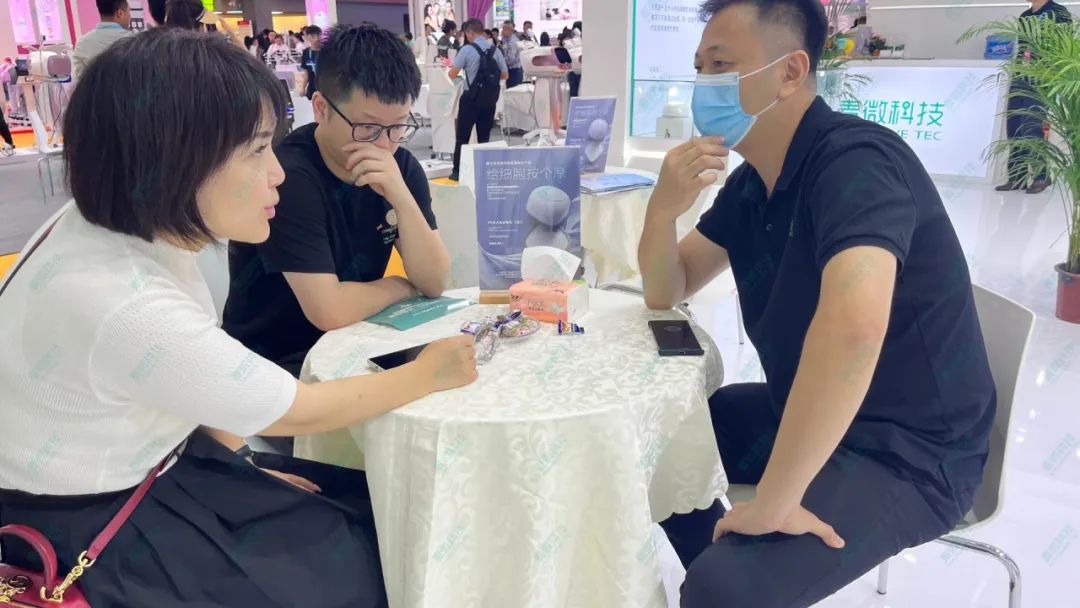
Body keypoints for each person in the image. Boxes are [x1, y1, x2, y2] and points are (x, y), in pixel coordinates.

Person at [0, 27, 477, 608]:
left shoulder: (115, 228)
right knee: (377, 551)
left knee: (379, 506)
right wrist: (428, 374)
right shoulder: (121, 299)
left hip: (166, 459)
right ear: (176, 160)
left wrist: (242, 464)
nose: (276, 172)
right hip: (100, 528)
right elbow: (301, 407)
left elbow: (195, 385)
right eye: (256, 150)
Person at [640, 0, 996, 605]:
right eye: (699, 67)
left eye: (721, 65)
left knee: (724, 589)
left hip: (910, 450)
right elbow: (666, 288)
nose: (704, 84)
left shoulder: (857, 163)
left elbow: (854, 327)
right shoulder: (752, 184)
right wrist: (661, 210)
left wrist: (776, 500)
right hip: (810, 413)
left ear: (790, 71)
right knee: (665, 444)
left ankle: (734, 580)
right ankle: (739, 570)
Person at [222, 24, 449, 377]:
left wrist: (402, 198)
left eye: (398, 127)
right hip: (279, 362)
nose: (384, 145)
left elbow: (434, 281)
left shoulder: (399, 166)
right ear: (321, 108)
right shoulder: (288, 178)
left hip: (364, 339)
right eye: (368, 128)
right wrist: (401, 285)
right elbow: (328, 310)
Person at [995, 0, 1072, 194]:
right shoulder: (1025, 16)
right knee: (1014, 125)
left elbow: (1063, 47)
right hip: (1021, 76)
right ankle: (1018, 176)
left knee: (1032, 126)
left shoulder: (1058, 12)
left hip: (1042, 77)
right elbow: (1022, 49)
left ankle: (1041, 175)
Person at [447, 18, 509, 182]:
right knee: (484, 137)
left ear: (469, 32)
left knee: (462, 137)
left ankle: (457, 171)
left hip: (470, 99)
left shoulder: (466, 50)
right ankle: (482, 172)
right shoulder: (495, 50)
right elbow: (505, 75)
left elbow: (452, 74)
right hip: (489, 100)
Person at [72, 0, 133, 79]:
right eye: (129, 13)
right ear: (120, 13)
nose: (130, 17)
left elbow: (79, 81)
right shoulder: (134, 41)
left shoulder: (82, 43)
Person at [298, 24, 322, 100]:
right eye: (313, 36)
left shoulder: (326, 51)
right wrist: (302, 88)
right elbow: (306, 74)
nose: (317, 39)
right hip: (312, 89)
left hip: (325, 89)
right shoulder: (306, 52)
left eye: (319, 36)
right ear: (308, 37)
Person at [501, 20, 523, 88]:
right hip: (511, 70)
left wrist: (501, 62)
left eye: (504, 29)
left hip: (514, 71)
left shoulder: (512, 42)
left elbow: (510, 60)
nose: (502, 31)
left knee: (513, 92)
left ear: (510, 30)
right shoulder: (506, 39)